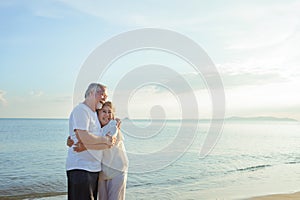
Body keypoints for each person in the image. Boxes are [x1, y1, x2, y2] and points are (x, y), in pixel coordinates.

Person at [66, 83, 116, 200]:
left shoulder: (94, 113)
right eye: (102, 94)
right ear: (91, 93)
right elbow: (84, 137)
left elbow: (92, 140)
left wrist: (106, 143)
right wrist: (105, 141)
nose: (105, 98)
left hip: (93, 168)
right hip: (81, 168)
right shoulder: (81, 110)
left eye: (106, 96)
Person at [70, 101, 128, 200]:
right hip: (102, 172)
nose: (107, 115)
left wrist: (84, 147)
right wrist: (70, 140)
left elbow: (109, 142)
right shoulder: (95, 128)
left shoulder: (113, 125)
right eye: (104, 112)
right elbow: (81, 136)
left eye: (109, 112)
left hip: (117, 170)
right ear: (97, 114)